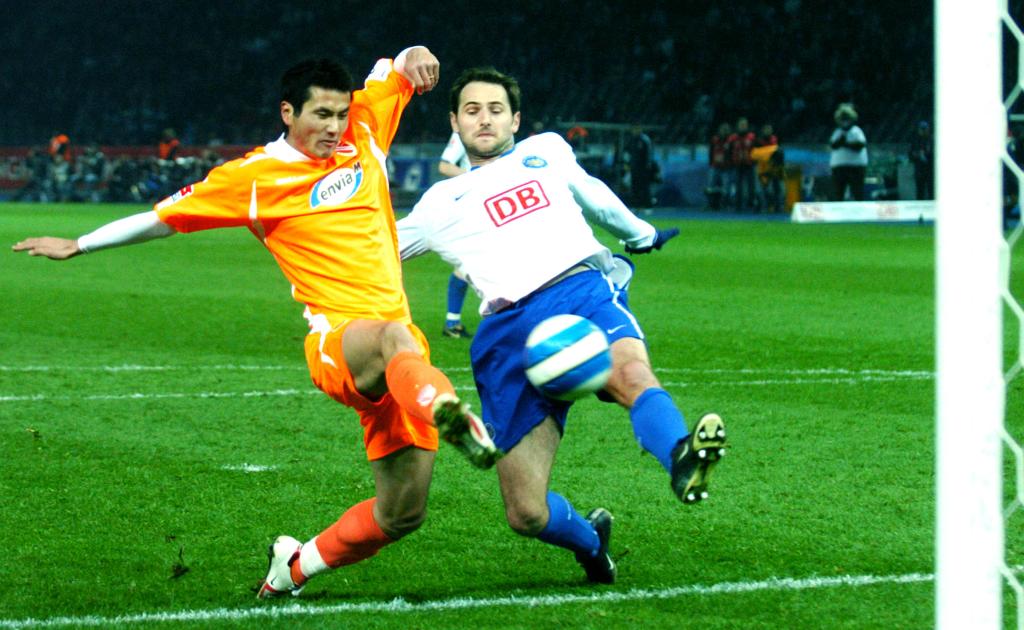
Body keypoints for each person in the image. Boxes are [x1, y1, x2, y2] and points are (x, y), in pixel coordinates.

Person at [12, 47, 500, 600]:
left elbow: (396, 71)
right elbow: (162, 219)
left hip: (401, 366)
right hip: (339, 345)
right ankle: (450, 412)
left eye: (341, 114)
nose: (334, 126)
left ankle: (292, 567)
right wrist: (79, 243)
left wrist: (416, 56)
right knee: (395, 335)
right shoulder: (254, 177)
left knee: (401, 514)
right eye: (321, 115)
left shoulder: (363, 127)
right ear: (288, 112)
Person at [397, 67, 727, 585]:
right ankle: (593, 543)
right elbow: (375, 252)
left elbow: (594, 195)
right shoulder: (438, 204)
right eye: (472, 111)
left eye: (496, 109)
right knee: (525, 512)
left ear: (516, 119)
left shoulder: (545, 150)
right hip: (506, 336)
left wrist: (641, 234)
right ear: (454, 124)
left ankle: (681, 456)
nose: (485, 119)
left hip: (578, 293)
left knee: (630, 373)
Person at [436, 131, 474, 338]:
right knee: (469, 262)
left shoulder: (500, 132)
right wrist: (474, 176)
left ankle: (452, 321)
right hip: (472, 203)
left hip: (495, 201)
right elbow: (444, 165)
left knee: (467, 263)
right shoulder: (463, 133)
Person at [829, 102, 868, 201]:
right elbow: (833, 145)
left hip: (856, 167)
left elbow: (860, 145)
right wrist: (841, 142)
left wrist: (845, 144)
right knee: (838, 193)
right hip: (839, 167)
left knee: (857, 192)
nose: (844, 122)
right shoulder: (837, 132)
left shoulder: (856, 131)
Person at [727, 117, 756, 211]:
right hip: (737, 165)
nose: (743, 126)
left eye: (744, 125)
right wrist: (731, 162)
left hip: (749, 165)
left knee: (751, 186)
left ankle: (751, 204)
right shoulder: (733, 138)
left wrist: (753, 161)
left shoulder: (752, 137)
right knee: (738, 186)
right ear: (738, 126)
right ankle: (738, 205)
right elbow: (728, 151)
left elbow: (756, 150)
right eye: (741, 125)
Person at [626, 124, 656, 208]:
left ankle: (647, 205)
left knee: (645, 187)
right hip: (634, 168)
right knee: (635, 187)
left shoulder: (645, 140)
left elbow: (648, 155)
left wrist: (647, 167)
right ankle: (636, 205)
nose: (634, 131)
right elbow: (629, 153)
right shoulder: (632, 140)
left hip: (643, 169)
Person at [909, 120, 933, 200]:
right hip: (920, 170)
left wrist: (926, 154)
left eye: (925, 129)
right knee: (920, 191)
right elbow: (910, 154)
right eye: (921, 129)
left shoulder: (932, 140)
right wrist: (917, 154)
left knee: (931, 191)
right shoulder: (915, 141)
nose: (923, 131)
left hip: (930, 169)